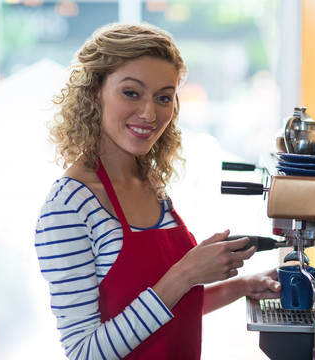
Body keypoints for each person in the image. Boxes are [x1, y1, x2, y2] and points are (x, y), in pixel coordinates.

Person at [34, 22, 281, 360]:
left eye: (163, 97)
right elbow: (84, 352)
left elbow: (166, 310)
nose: (150, 113)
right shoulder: (68, 205)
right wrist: (186, 273)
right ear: (95, 91)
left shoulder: (148, 184)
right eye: (131, 93)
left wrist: (242, 285)